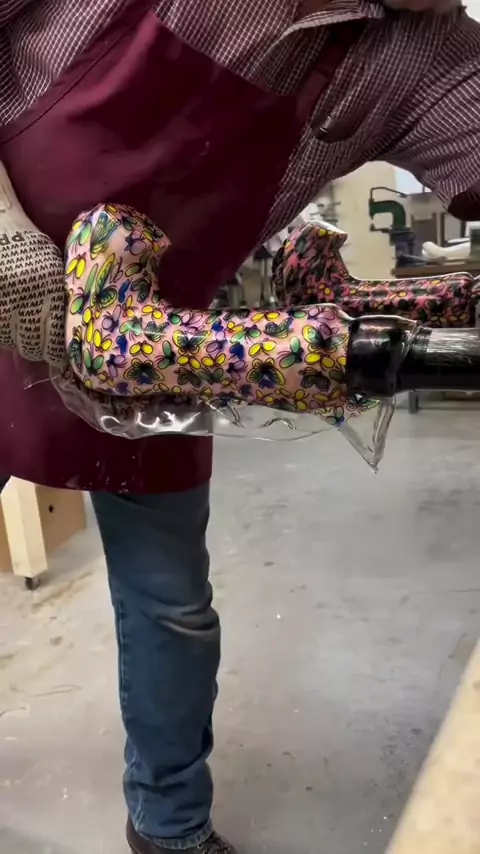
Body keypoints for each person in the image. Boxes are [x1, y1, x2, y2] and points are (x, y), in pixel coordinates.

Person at [0, 1, 480, 851]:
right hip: (12, 259)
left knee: (172, 608)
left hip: (149, 349)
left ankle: (169, 827)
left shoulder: (426, 53)